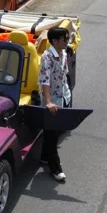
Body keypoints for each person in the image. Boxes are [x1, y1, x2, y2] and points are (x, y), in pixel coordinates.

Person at [38, 27, 72, 182]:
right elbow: (44, 80)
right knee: (51, 135)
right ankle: (55, 168)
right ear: (55, 41)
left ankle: (45, 156)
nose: (67, 42)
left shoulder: (63, 53)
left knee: (55, 131)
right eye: (64, 39)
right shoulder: (47, 57)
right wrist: (48, 101)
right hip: (52, 100)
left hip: (62, 96)